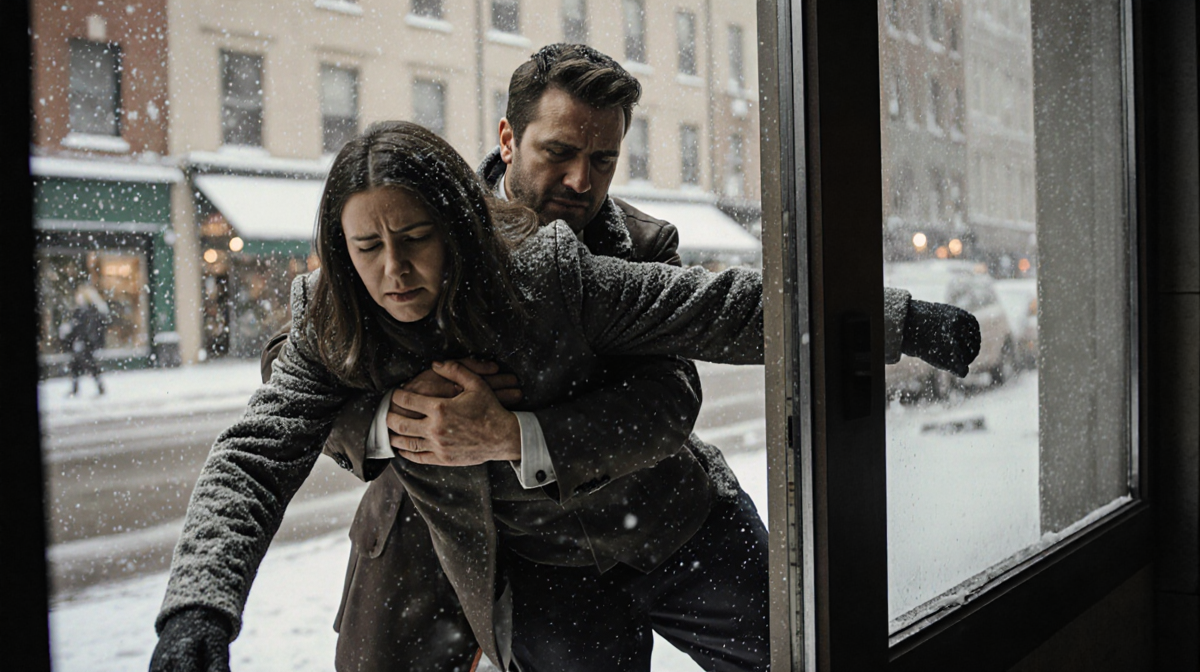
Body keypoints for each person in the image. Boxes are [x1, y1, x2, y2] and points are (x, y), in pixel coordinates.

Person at [271, 45, 979, 671]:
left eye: (603, 159)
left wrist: (515, 436)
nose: (582, 180)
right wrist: (394, 418)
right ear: (508, 140)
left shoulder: (644, 247)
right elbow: (296, 360)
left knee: (800, 651)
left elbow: (682, 383)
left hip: (676, 524)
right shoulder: (428, 233)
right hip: (536, 567)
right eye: (559, 153)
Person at [151, 120, 772, 672]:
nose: (393, 269)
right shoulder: (330, 317)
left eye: (415, 238)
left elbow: (724, 310)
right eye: (367, 247)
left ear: (456, 227)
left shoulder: (545, 274)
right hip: (548, 574)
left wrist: (852, 313)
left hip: (674, 522)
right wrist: (198, 606)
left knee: (798, 648)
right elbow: (253, 455)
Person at [62, 283, 108, 397]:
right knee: (77, 366)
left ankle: (98, 388)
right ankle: (77, 389)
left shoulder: (87, 311)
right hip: (82, 343)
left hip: (84, 344)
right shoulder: (83, 311)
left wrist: (82, 341)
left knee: (87, 365)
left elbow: (87, 329)